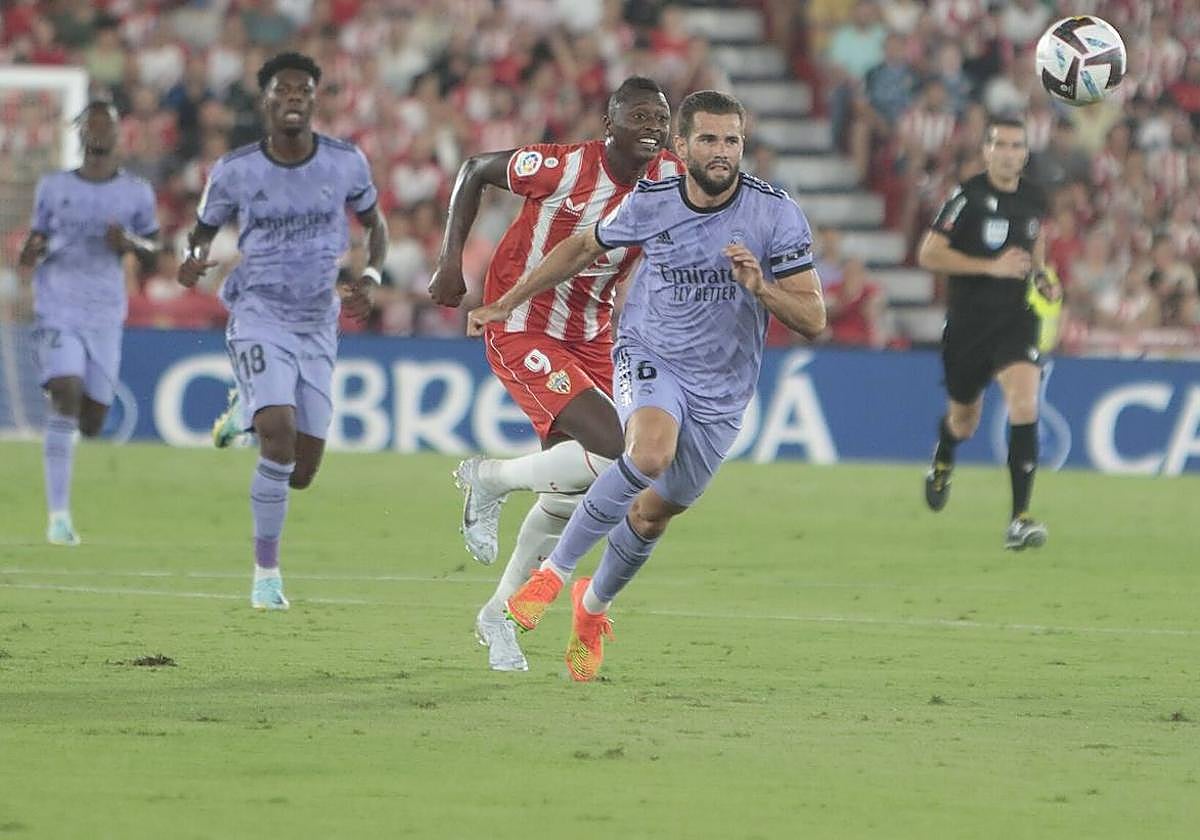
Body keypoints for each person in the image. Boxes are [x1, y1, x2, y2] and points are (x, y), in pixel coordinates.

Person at [467, 90, 826, 681]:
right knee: (646, 452)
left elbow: (813, 319)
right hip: (650, 354)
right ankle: (549, 576)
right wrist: (507, 301)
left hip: (723, 388)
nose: (721, 151)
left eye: (732, 140)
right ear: (681, 146)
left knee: (653, 515)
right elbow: (583, 246)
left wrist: (761, 287)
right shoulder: (653, 201)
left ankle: (591, 609)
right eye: (708, 139)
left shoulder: (775, 214)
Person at [427, 76, 682, 672]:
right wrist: (450, 261)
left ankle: (498, 616)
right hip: (521, 323)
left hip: (593, 338)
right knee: (620, 450)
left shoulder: (669, 177)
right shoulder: (562, 167)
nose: (652, 128)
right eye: (640, 116)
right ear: (609, 125)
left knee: (577, 491)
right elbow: (474, 169)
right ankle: (490, 479)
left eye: (660, 119)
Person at [177, 52, 387, 610]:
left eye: (303, 90)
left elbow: (375, 224)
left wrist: (370, 276)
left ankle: (241, 414)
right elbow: (202, 232)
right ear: (266, 100)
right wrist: (193, 259)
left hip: (317, 320)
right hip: (258, 312)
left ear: (315, 101)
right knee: (277, 431)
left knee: (301, 471)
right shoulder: (235, 170)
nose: (293, 96)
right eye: (282, 89)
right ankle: (266, 576)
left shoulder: (345, 162)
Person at [18, 100, 160, 546]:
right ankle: (58, 517)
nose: (98, 132)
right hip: (57, 303)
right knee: (66, 392)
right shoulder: (53, 186)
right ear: (80, 134)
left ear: (118, 134)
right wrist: (31, 250)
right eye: (91, 126)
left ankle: (71, 430)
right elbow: (37, 239)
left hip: (104, 311)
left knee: (94, 420)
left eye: (106, 126)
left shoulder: (136, 192)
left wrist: (129, 242)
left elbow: (155, 250)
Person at [917, 116, 1055, 550]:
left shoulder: (1034, 196)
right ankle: (945, 453)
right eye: (1001, 145)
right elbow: (929, 254)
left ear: (1025, 153)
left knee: (1025, 402)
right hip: (969, 326)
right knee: (964, 422)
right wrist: (990, 266)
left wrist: (1040, 274)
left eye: (1017, 146)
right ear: (986, 151)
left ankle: (1020, 518)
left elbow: (1035, 240)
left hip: (1015, 320)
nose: (1009, 153)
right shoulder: (966, 197)